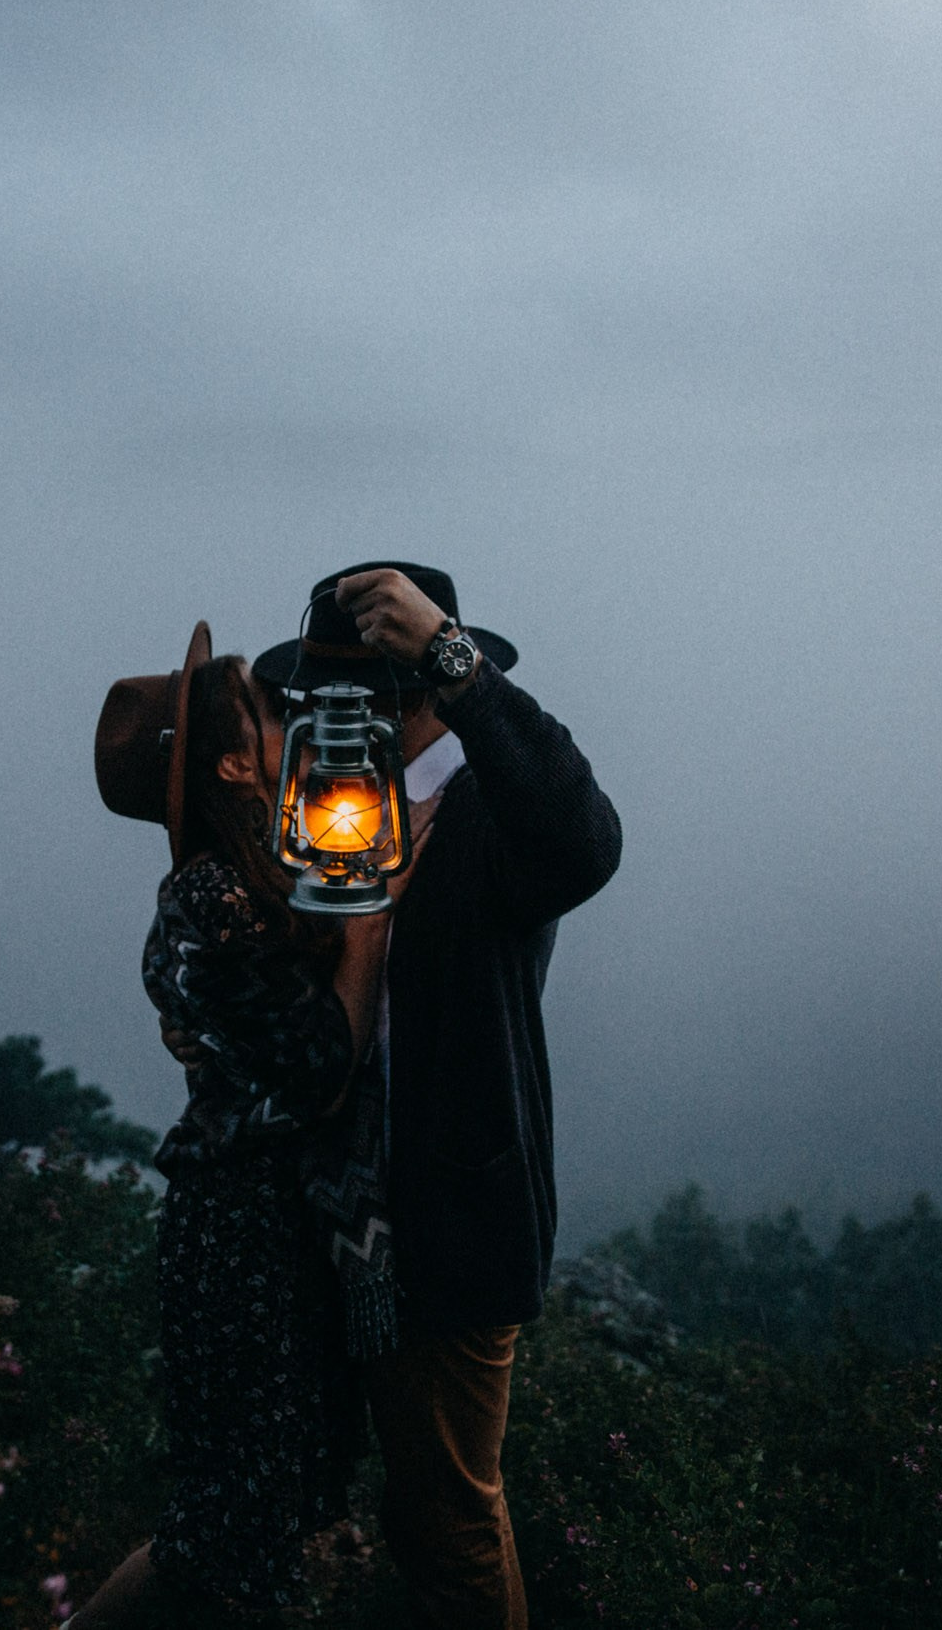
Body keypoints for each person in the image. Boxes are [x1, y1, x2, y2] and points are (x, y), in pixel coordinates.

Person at [229, 561, 622, 1630]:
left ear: (408, 696)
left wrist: (455, 657)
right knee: (404, 1516)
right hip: (340, 1221)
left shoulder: (483, 811)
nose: (322, 719)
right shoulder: (335, 807)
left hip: (451, 1221)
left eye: (342, 698)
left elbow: (586, 840)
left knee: (450, 1524)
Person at [81, 626, 391, 1626]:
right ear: (229, 762)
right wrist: (368, 928)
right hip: (240, 1238)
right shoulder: (211, 898)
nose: (286, 710)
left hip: (276, 1231)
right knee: (224, 1530)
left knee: (266, 1517)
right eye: (263, 706)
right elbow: (320, 1069)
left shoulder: (265, 875)